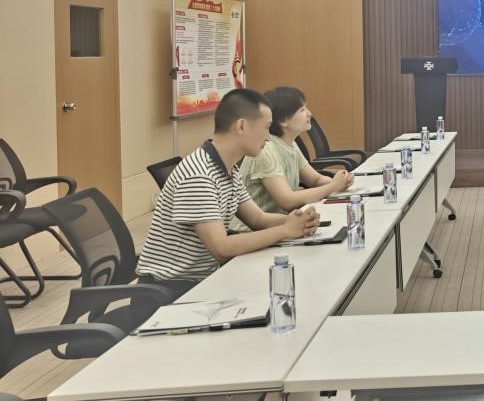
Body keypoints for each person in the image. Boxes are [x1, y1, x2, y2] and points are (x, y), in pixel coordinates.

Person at [136, 89, 320, 301]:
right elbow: (222, 248)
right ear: (242, 126)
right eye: (266, 127)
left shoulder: (227, 168)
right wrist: (286, 229)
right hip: (170, 293)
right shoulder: (199, 175)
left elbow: (257, 219)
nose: (269, 137)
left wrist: (297, 221)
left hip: (203, 279)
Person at [229, 86, 352, 232]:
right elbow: (287, 200)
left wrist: (341, 182)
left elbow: (315, 180)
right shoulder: (266, 149)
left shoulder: (290, 144)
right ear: (283, 121)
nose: (309, 113)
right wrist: (333, 186)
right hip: (251, 232)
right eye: (302, 110)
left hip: (280, 225)